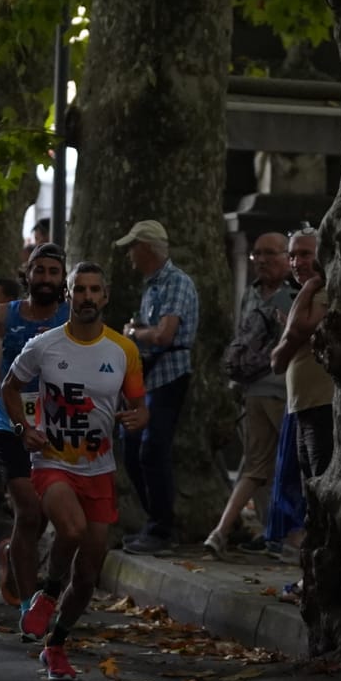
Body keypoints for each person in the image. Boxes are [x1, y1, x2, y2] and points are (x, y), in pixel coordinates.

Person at [3, 262, 148, 679]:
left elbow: (140, 406)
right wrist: (21, 428)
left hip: (99, 469)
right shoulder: (43, 346)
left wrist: (139, 418)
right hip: (52, 461)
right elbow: (9, 389)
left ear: (105, 297)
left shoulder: (123, 350)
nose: (86, 297)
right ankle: (47, 594)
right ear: (69, 296)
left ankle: (57, 643)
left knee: (87, 575)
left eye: (94, 290)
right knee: (71, 530)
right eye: (79, 289)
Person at [0, 244, 69, 616]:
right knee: (29, 509)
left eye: (53, 272)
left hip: (59, 426)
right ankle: (30, 605)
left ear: (63, 279)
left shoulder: (73, 317)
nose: (45, 278)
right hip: (9, 423)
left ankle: (14, 553)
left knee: (41, 515)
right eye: (38, 271)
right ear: (27, 275)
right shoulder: (2, 316)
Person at [206, 232, 295, 557]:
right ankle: (273, 534)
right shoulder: (251, 294)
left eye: (270, 253)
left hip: (285, 392)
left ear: (287, 258)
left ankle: (262, 532)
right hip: (255, 392)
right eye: (257, 254)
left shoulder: (295, 294)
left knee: (262, 466)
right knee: (262, 466)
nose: (262, 260)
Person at [117, 220, 199, 555]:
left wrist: (134, 334)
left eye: (133, 249)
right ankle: (153, 522)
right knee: (132, 446)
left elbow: (164, 335)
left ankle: (162, 529)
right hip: (146, 377)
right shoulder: (152, 286)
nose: (130, 257)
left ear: (147, 248)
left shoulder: (175, 283)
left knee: (152, 449)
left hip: (169, 375)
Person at [270, 231, 332, 576]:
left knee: (321, 494)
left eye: (305, 254)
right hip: (302, 406)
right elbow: (282, 354)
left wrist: (308, 290)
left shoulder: (320, 291)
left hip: (322, 405)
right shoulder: (305, 293)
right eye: (292, 256)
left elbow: (299, 331)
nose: (296, 263)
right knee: (309, 493)